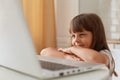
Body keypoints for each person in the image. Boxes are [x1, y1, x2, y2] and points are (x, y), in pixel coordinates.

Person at [40, 13, 117, 77]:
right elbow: (45, 52)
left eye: (82, 35)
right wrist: (68, 57)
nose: (76, 40)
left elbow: (95, 59)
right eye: (73, 36)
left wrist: (72, 49)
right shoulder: (75, 55)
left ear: (96, 35)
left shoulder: (104, 53)